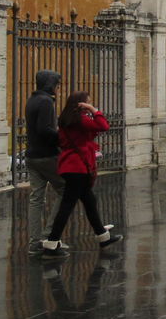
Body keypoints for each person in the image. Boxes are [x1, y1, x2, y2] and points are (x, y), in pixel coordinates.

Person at [39, 92, 123, 258]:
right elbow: (104, 125)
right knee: (67, 206)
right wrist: (93, 110)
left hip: (71, 165)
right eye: (88, 102)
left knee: (90, 201)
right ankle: (51, 244)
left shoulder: (66, 119)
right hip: (79, 167)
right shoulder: (81, 119)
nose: (90, 104)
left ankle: (103, 237)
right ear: (81, 104)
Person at [24, 70, 65, 252]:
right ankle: (50, 236)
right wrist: (62, 138)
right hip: (47, 155)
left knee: (36, 199)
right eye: (57, 84)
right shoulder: (46, 101)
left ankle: (34, 243)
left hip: (31, 155)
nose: (58, 88)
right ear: (51, 84)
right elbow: (44, 129)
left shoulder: (32, 100)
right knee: (67, 190)